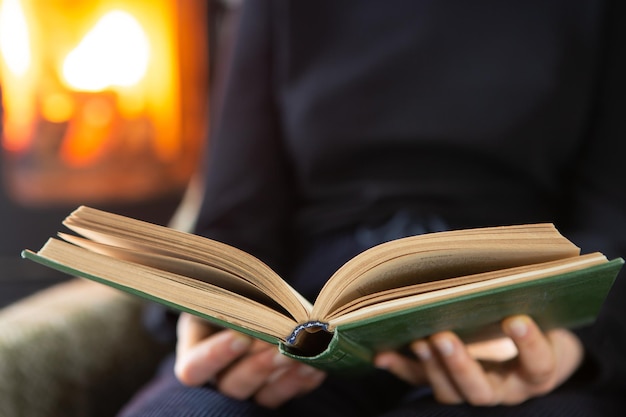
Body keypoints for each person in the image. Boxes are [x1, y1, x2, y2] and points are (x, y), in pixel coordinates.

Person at [118, 0, 626, 415]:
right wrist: (211, 316)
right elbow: (235, 218)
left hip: (511, 324)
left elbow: (613, 219)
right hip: (310, 324)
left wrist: (575, 347)